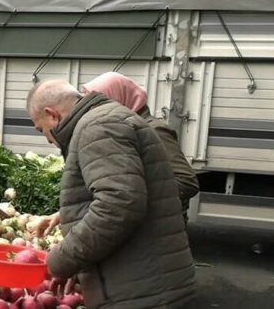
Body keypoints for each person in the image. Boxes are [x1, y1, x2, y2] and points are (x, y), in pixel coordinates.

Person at [26, 80, 196, 309]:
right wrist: (80, 260)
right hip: (146, 284)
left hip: (135, 293)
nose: (46, 139)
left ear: (52, 113)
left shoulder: (96, 127)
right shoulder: (108, 119)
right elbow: (121, 197)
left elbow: (119, 204)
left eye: (42, 129)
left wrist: (61, 259)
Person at [82, 72, 199, 216]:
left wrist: (131, 196)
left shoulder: (153, 130)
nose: (93, 112)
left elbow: (186, 181)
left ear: (117, 98)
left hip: (158, 229)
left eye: (98, 105)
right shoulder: (121, 129)